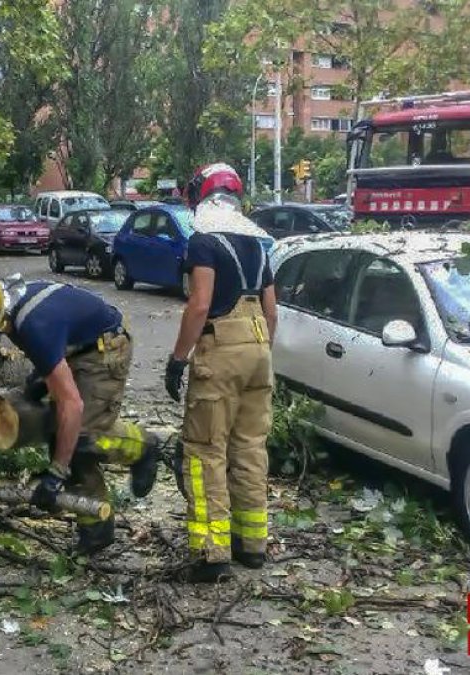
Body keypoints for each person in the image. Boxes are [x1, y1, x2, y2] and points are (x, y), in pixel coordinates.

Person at [0, 273, 160, 555]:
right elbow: (56, 335)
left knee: (82, 439)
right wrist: (42, 377)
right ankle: (96, 530)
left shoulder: (32, 325)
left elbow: (72, 405)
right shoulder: (10, 311)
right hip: (76, 348)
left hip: (106, 347)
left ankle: (144, 446)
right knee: (62, 440)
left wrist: (56, 473)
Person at [165, 163, 278, 583]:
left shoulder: (204, 242)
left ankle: (213, 552)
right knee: (249, 448)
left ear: (201, 195)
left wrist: (179, 358)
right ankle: (252, 545)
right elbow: (271, 311)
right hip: (259, 347)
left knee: (204, 450)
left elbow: (200, 304)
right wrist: (263, 352)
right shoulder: (258, 244)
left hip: (221, 348)